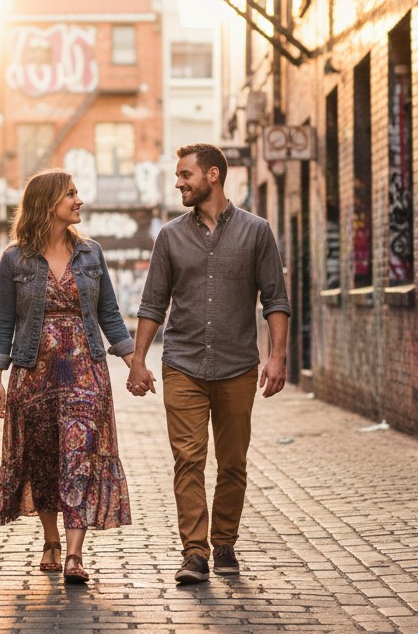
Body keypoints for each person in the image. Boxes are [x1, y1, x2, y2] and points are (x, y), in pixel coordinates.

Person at [126, 143, 290, 585]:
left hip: (238, 365)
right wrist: (138, 361)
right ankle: (194, 553)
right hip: (182, 363)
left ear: (212, 175)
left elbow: (275, 298)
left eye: (185, 175)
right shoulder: (170, 236)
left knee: (233, 462)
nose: (178, 183)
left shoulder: (257, 232)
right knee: (188, 460)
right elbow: (152, 304)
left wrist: (277, 356)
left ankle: (224, 543)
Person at [0, 169, 136, 585]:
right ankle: (51, 540)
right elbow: (2, 322)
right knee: (43, 458)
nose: (79, 200)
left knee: (80, 455)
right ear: (48, 202)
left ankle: (74, 555)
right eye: (71, 194)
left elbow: (109, 313)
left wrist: (132, 360)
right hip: (33, 373)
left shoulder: (92, 253)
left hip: (86, 371)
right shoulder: (15, 258)